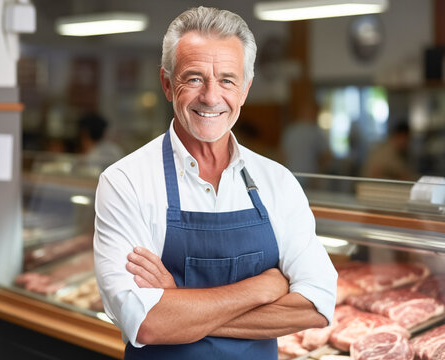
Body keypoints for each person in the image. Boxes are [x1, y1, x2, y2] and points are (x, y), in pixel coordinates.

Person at [93, 7, 337, 359]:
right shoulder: (125, 182)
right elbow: (146, 323)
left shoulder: (277, 181)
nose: (211, 96)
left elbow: (315, 306)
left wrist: (179, 304)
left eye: (227, 79)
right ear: (166, 84)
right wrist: (262, 287)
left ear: (245, 89)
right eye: (193, 78)